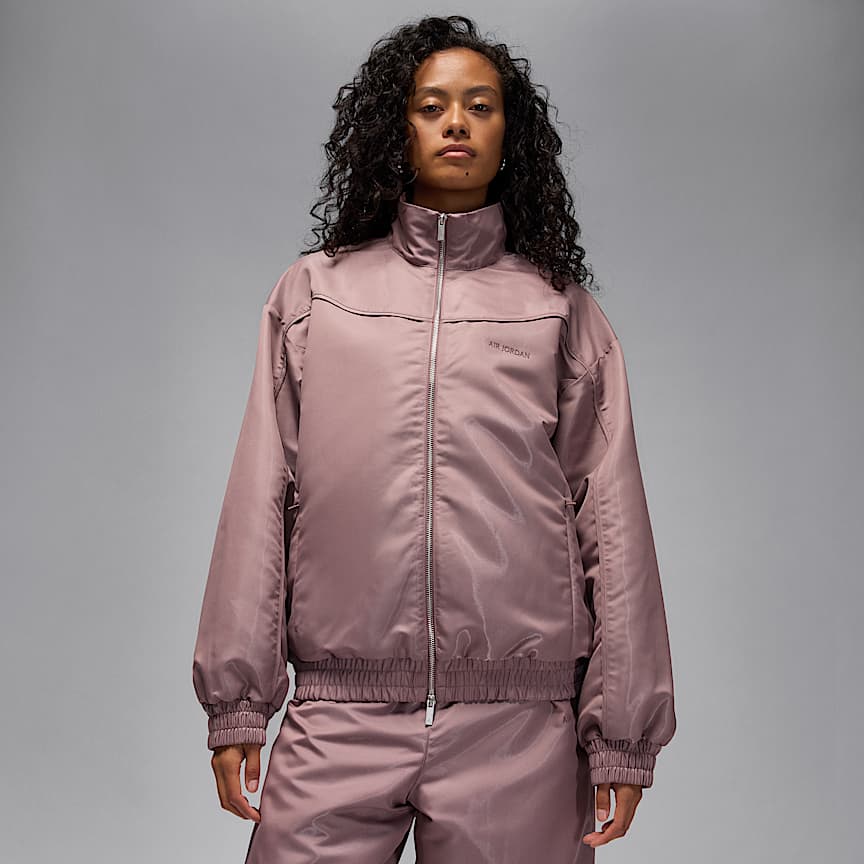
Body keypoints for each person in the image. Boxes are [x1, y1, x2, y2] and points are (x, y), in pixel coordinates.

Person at [192, 14, 676, 863]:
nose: (457, 123)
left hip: (519, 725)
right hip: (339, 712)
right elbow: (260, 498)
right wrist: (238, 701)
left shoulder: (558, 311)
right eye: (432, 106)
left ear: (510, 135)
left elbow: (613, 522)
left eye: (481, 106)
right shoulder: (316, 296)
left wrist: (624, 735)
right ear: (397, 128)